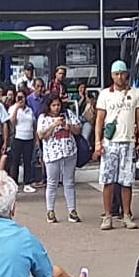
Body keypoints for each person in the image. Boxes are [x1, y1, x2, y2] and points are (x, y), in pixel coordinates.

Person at [94, 60, 139, 231]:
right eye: (116, 74)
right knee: (108, 180)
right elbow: (100, 119)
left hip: (128, 141)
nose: (119, 77)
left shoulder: (135, 94)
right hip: (110, 143)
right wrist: (97, 142)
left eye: (122, 73)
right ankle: (108, 216)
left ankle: (127, 214)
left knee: (127, 181)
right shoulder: (105, 95)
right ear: (112, 75)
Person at [36, 94, 82, 223]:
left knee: (69, 182)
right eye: (53, 105)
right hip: (52, 154)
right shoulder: (43, 118)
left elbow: (78, 129)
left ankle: (72, 210)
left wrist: (68, 126)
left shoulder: (67, 114)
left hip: (69, 152)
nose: (56, 108)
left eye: (58, 105)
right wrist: (53, 125)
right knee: (52, 182)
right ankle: (50, 211)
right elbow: (41, 135)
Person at [9, 91, 40, 192]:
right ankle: (14, 183)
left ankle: (27, 182)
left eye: (22, 97)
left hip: (29, 138)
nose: (20, 99)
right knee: (15, 161)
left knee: (28, 161)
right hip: (18, 138)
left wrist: (36, 140)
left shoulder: (30, 110)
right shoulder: (13, 108)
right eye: (18, 97)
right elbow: (13, 122)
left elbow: (34, 125)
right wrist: (17, 108)